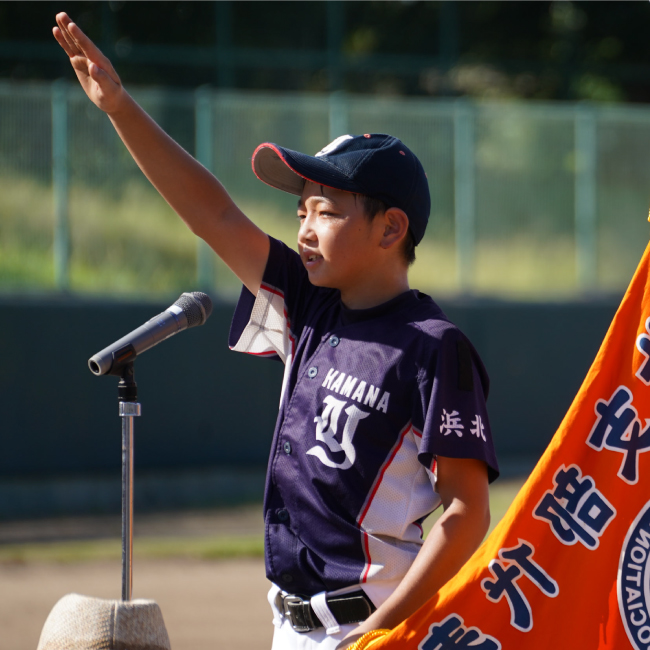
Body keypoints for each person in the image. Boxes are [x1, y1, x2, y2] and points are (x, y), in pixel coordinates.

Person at [53, 12, 499, 650]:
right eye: (300, 209)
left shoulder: (434, 347)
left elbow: (467, 512)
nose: (305, 228)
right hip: (288, 625)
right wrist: (120, 108)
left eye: (326, 209)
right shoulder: (310, 304)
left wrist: (384, 630)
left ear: (391, 229)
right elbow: (213, 213)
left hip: (370, 625)